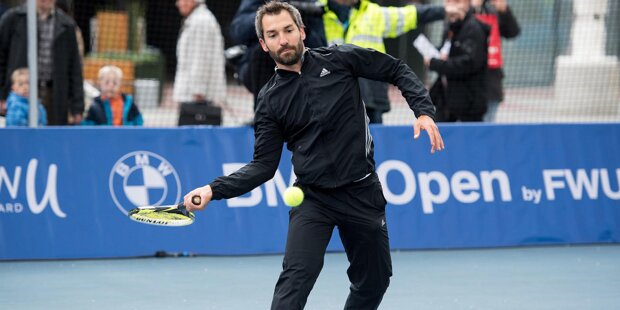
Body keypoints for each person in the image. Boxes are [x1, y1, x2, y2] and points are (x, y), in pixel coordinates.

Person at [183, 2, 444, 309]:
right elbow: (263, 167)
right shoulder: (269, 101)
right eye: (273, 34)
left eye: (288, 30)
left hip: (362, 191)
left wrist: (423, 112)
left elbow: (396, 69)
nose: (283, 39)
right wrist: (213, 189)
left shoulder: (340, 59)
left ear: (302, 32)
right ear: (264, 44)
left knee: (375, 280)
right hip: (313, 200)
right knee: (295, 282)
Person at [322, 0, 447, 124]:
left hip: (371, 99)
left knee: (374, 139)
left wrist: (443, 11)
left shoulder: (372, 12)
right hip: (333, 100)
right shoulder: (315, 15)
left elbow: (410, 15)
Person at [230, 0, 327, 109]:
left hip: (302, 65)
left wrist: (300, 21)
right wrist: (271, 17)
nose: (283, 40)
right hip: (258, 68)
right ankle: (265, 114)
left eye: (288, 30)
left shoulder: (308, 7)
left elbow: (320, 47)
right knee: (264, 52)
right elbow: (237, 30)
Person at [0, 0, 84, 125]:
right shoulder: (13, 19)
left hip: (55, 95)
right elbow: (1, 59)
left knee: (53, 140)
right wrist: (1, 96)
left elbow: (75, 69)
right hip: (20, 94)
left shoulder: (67, 25)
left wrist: (77, 107)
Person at [424, 0, 489, 122]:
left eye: (457, 2)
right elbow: (449, 51)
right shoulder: (450, 26)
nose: (452, 6)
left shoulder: (473, 28)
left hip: (468, 105)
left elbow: (469, 63)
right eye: (448, 2)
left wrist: (437, 64)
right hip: (446, 101)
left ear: (467, 4)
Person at [472, 0, 520, 122]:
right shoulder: (463, 8)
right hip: (466, 84)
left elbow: (513, 32)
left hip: (490, 82)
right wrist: (473, 7)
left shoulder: (493, 10)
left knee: (487, 124)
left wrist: (504, 10)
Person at [173, 0, 226, 106]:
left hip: (197, 99)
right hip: (194, 96)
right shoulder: (197, 19)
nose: (177, 4)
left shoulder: (201, 21)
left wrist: (198, 92)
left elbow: (200, 59)